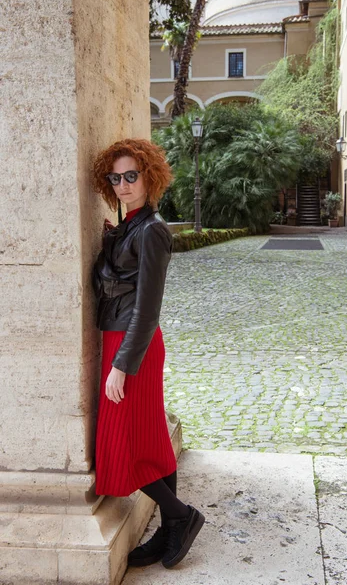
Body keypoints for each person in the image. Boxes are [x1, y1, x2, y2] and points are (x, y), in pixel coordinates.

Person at [91, 138, 204, 569]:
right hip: (120, 339)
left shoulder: (153, 229)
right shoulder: (132, 224)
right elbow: (122, 274)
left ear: (149, 177)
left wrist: (122, 364)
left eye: (131, 176)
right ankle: (169, 529)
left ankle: (181, 515)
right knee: (153, 439)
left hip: (132, 344)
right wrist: (111, 239)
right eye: (115, 177)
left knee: (126, 443)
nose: (122, 184)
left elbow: (147, 307)